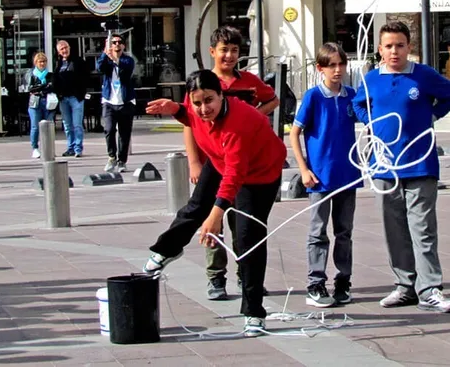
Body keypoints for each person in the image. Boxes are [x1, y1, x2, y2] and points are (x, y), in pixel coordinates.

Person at [143, 70, 286, 337]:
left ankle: (254, 312)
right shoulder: (194, 109)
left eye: (209, 100)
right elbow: (189, 115)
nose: (203, 108)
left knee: (248, 238)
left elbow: (235, 175)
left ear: (221, 95)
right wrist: (175, 108)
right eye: (197, 102)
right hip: (221, 160)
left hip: (259, 174)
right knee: (195, 206)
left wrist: (216, 215)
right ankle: (167, 250)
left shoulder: (238, 122)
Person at [352, 21, 450, 313]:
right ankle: (404, 286)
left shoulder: (422, 75)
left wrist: (431, 116)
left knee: (422, 228)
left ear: (409, 47)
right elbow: (359, 104)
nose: (394, 51)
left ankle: (430, 289)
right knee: (394, 228)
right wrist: (370, 123)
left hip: (419, 164)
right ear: (379, 50)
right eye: (388, 46)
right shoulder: (371, 79)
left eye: (400, 45)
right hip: (384, 166)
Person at [189, 26, 279, 300]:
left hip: (246, 169)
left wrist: (253, 115)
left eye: (235, 51)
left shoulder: (249, 80)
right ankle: (216, 277)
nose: (229, 56)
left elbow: (273, 100)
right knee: (212, 219)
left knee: (243, 226)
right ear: (212, 52)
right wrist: (194, 161)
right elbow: (190, 122)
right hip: (215, 166)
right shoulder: (204, 83)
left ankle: (246, 274)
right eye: (224, 50)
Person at [290, 43, 361, 308]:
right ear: (320, 68)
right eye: (331, 65)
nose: (338, 70)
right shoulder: (313, 97)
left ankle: (343, 280)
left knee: (344, 230)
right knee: (318, 230)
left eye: (341, 64)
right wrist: (304, 168)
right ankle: (315, 282)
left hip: (347, 174)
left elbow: (368, 120)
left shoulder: (351, 96)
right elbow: (295, 133)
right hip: (319, 176)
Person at [96, 33, 136, 173]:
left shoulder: (128, 60)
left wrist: (115, 59)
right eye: (113, 42)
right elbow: (100, 67)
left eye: (119, 42)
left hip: (125, 101)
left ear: (124, 45)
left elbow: (126, 71)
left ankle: (122, 161)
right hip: (109, 101)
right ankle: (111, 156)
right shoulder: (106, 60)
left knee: (124, 133)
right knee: (109, 129)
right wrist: (105, 53)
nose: (117, 45)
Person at [54, 40, 88, 157]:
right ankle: (70, 147)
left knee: (77, 124)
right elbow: (56, 80)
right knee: (67, 125)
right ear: (58, 52)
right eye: (61, 49)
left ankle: (78, 148)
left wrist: (82, 93)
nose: (64, 50)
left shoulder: (78, 61)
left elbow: (85, 77)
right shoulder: (58, 64)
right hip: (63, 98)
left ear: (69, 47)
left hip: (76, 97)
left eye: (65, 48)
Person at [25, 52, 55, 159]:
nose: (42, 64)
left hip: (47, 102)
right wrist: (43, 86)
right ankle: (35, 148)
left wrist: (40, 87)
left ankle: (48, 148)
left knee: (48, 126)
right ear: (36, 63)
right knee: (35, 126)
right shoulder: (31, 74)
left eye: (44, 61)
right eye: (40, 62)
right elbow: (30, 88)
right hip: (35, 103)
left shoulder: (50, 75)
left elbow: (51, 87)